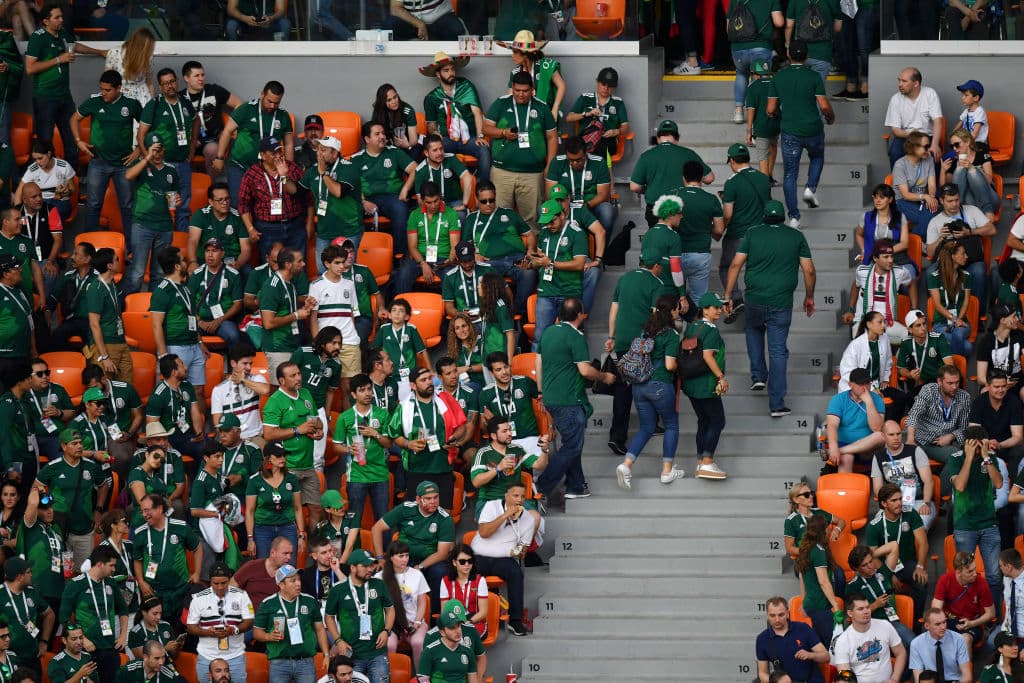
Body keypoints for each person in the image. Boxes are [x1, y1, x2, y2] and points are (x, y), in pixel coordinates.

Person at [725, 199, 814, 417]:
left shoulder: (752, 233)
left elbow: (736, 264)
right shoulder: (796, 236)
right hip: (781, 302)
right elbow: (809, 270)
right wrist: (809, 296)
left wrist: (728, 295)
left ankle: (757, 376)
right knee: (778, 351)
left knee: (753, 331)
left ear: (763, 216)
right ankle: (776, 404)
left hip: (754, 298)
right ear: (783, 217)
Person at [535, 297, 616, 502]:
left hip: (552, 398)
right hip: (569, 400)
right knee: (572, 446)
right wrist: (604, 376)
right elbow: (585, 370)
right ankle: (541, 487)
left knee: (573, 443)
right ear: (580, 315)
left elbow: (539, 362)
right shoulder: (575, 336)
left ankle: (576, 485)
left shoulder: (548, 332)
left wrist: (541, 391)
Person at [613, 295, 685, 489]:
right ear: (671, 311)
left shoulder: (646, 332)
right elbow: (670, 365)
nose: (679, 312)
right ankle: (667, 471)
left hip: (638, 386)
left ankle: (626, 465)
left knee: (646, 427)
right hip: (660, 385)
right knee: (671, 425)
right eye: (677, 309)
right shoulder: (670, 334)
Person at [25, 3, 105, 176]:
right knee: (45, 144)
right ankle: (47, 184)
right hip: (45, 98)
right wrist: (58, 60)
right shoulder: (38, 38)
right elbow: (30, 68)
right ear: (46, 21)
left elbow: (74, 46)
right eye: (57, 17)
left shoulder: (61, 33)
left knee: (72, 142)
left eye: (61, 16)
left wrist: (100, 52)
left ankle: (72, 183)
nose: (62, 19)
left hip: (64, 97)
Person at [766, 40, 835, 229]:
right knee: (817, 157)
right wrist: (830, 117)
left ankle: (794, 217)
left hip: (790, 133)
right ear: (806, 56)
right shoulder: (814, 77)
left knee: (790, 175)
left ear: (788, 55)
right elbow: (824, 106)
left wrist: (775, 114)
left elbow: (770, 108)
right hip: (813, 129)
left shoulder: (778, 77)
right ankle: (810, 188)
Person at [72, 70, 141, 244]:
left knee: (127, 206)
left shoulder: (131, 105)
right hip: (98, 162)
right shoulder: (94, 102)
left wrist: (139, 149)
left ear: (119, 88)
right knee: (93, 205)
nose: (103, 93)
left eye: (107, 90)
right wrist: (79, 141)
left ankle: (131, 248)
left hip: (124, 163)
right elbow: (74, 119)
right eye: (101, 89)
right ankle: (88, 245)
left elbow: (147, 126)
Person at [483, 71, 558, 228]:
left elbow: (552, 137)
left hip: (533, 174)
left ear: (532, 90)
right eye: (517, 90)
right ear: (513, 88)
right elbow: (486, 128)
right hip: (502, 172)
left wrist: (549, 165)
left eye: (525, 91)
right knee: (500, 218)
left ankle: (532, 251)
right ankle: (503, 252)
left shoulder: (542, 108)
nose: (521, 94)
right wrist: (503, 133)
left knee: (532, 221)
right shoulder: (501, 103)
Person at [371, 480, 454, 614]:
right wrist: (380, 557)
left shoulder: (445, 519)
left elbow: (442, 553)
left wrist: (420, 567)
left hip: (430, 560)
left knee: (439, 572)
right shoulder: (405, 509)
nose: (433, 501)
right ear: (418, 499)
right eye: (428, 498)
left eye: (436, 497)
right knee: (379, 570)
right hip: (403, 555)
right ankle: (380, 614)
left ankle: (435, 617)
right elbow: (376, 529)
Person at [262, 361, 324, 527]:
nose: (298, 378)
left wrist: (319, 430)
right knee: (289, 511)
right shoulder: (275, 401)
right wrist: (297, 430)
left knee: (316, 509)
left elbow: (317, 420)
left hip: (308, 464)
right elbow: (268, 434)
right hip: (288, 465)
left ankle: (313, 550)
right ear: (282, 381)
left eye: (299, 373)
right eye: (293, 376)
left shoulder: (306, 393)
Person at [948, 425, 1005, 604]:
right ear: (966, 444)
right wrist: (970, 456)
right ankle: (968, 614)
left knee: (994, 575)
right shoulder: (955, 458)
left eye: (981, 446)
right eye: (974, 446)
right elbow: (960, 486)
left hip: (989, 524)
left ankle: (994, 618)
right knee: (965, 575)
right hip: (965, 526)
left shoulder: (990, 459)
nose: (978, 450)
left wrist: (986, 456)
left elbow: (998, 484)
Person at [137, 68, 197, 236]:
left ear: (176, 81)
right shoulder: (154, 105)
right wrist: (148, 159)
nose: (169, 86)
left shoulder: (185, 102)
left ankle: (183, 238)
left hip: (183, 163)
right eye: (165, 84)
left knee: (183, 204)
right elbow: (141, 135)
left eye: (172, 81)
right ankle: (166, 239)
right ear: (160, 86)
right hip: (163, 165)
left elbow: (196, 120)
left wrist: (192, 144)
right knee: (164, 204)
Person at [471, 482, 535, 637]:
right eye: (515, 496)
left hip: (503, 558)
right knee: (462, 570)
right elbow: (484, 532)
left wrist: (519, 552)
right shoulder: (491, 506)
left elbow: (523, 548)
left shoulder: (528, 518)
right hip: (479, 556)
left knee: (516, 573)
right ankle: (466, 615)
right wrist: (506, 515)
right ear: (506, 496)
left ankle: (515, 620)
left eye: (522, 496)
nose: (519, 500)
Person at [214, 81, 294, 205]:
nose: (272, 106)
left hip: (268, 168)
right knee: (238, 203)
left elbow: (288, 144)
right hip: (240, 165)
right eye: (269, 101)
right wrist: (219, 157)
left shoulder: (283, 116)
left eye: (277, 103)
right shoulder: (246, 109)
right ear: (262, 94)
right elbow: (227, 131)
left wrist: (289, 167)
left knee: (263, 205)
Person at [37, 427, 108, 565]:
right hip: (58, 529)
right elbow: (36, 488)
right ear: (63, 446)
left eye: (80, 442)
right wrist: (48, 504)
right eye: (74, 443)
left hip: (84, 528)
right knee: (60, 571)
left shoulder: (92, 467)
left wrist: (99, 509)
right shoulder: (52, 467)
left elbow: (103, 485)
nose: (80, 446)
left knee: (84, 571)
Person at [681, 292, 732, 480]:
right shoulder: (711, 330)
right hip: (706, 383)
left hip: (691, 383)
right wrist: (721, 377)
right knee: (717, 421)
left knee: (704, 421)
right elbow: (707, 356)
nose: (719, 310)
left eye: (720, 307)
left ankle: (701, 462)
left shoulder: (692, 327)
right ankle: (707, 461)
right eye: (715, 307)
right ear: (705, 309)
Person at [324, 549, 394, 683]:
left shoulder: (379, 584)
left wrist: (386, 631)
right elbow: (329, 617)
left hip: (377, 652)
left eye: (371, 565)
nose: (370, 569)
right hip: (352, 653)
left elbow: (390, 609)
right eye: (365, 566)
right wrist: (338, 641)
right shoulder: (338, 589)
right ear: (353, 567)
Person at [151, 246, 210, 407]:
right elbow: (156, 325)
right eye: (183, 260)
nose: (186, 263)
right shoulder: (161, 291)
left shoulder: (185, 288)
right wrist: (164, 357)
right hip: (175, 348)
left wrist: (200, 342)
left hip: (194, 346)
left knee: (198, 390)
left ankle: (201, 431)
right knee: (177, 391)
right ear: (177, 266)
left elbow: (191, 317)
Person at [122, 135, 180, 294]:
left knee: (160, 272)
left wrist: (176, 201)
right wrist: (146, 158)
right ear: (146, 150)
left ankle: (154, 309)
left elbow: (172, 198)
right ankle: (127, 308)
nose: (157, 154)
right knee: (138, 271)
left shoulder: (172, 171)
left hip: (164, 226)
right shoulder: (140, 165)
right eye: (153, 150)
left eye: (159, 150)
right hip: (142, 224)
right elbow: (128, 176)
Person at [420, 52, 490, 183]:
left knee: (484, 150)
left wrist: (480, 136)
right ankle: (438, 187)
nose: (451, 73)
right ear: (437, 74)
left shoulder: (466, 86)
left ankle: (482, 188)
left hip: (469, 138)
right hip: (447, 139)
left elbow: (477, 112)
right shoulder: (432, 97)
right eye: (446, 70)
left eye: (452, 69)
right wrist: (435, 133)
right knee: (432, 151)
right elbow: (431, 124)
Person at [629, 119, 713, 226]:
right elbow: (710, 178)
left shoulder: (646, 156)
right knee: (684, 241)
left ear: (658, 138)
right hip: (683, 209)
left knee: (660, 241)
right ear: (677, 138)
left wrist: (648, 188)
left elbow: (634, 187)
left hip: (657, 210)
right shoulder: (689, 154)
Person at [351, 122, 416, 259]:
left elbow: (415, 169)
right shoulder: (356, 159)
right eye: (377, 134)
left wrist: (405, 189)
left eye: (383, 133)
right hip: (367, 198)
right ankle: (354, 255)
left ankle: (399, 256)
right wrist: (363, 202)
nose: (382, 136)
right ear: (367, 139)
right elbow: (352, 184)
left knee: (400, 209)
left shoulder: (394, 152)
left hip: (391, 197)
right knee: (351, 211)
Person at [866, 482, 930, 622]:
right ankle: (891, 623)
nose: (899, 503)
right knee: (883, 589)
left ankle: (915, 622)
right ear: (884, 503)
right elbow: (873, 557)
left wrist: (920, 566)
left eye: (900, 499)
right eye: (894, 500)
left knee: (921, 581)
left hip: (906, 563)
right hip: (884, 566)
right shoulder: (874, 526)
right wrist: (890, 574)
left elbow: (923, 543)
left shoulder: (910, 513)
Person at [720, 144, 771, 316]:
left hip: (737, 235)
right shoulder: (764, 179)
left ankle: (736, 300)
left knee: (726, 267)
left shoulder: (732, 182)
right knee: (755, 271)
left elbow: (728, 214)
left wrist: (720, 229)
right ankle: (759, 305)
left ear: (732, 161)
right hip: (761, 235)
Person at [529, 199, 588, 345]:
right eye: (546, 222)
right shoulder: (543, 234)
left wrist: (551, 264)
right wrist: (532, 264)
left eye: (552, 221)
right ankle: (540, 368)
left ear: (562, 215)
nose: (548, 226)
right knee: (540, 337)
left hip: (569, 292)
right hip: (546, 291)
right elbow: (541, 259)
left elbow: (579, 264)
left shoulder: (577, 234)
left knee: (569, 337)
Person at [238, 136, 305, 260]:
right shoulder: (252, 174)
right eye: (273, 153)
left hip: (294, 225)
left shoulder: (292, 168)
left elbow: (307, 197)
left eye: (279, 151)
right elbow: (243, 203)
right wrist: (250, 228)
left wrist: (284, 175)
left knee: (298, 266)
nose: (278, 155)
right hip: (267, 228)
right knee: (269, 266)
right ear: (263, 155)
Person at [392, 181, 461, 300]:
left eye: (436, 201)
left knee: (452, 277)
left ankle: (451, 312)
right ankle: (399, 309)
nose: (433, 205)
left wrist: (449, 260)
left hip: (443, 259)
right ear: (422, 201)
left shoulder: (451, 214)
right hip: (420, 258)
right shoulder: (415, 215)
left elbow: (455, 246)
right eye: (428, 202)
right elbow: (412, 247)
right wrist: (423, 264)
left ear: (440, 197)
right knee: (403, 273)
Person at [186, 561, 253, 683]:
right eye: (215, 583)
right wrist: (208, 633)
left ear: (229, 579)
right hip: (207, 656)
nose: (220, 587)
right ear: (210, 581)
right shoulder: (198, 599)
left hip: (235, 656)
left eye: (224, 583)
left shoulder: (241, 595)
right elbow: (190, 627)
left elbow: (249, 621)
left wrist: (234, 630)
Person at [300, 137, 363, 260]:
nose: (319, 153)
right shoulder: (313, 170)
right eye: (317, 149)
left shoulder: (350, 167)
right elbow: (297, 191)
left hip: (348, 231)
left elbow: (338, 192)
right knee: (322, 272)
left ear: (334, 153)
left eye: (323, 150)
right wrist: (283, 177)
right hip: (324, 232)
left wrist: (323, 173)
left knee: (345, 270)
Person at [260, 248, 314, 384]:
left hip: (292, 346)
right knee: (280, 391)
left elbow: (286, 310)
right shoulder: (272, 286)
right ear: (288, 264)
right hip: (277, 348)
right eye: (299, 261)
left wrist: (304, 308)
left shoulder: (290, 285)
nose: (303, 264)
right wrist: (296, 315)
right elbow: (268, 323)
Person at [180, 62, 242, 180]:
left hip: (213, 140)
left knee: (212, 149)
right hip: (190, 141)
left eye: (202, 75)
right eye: (196, 76)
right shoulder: (180, 98)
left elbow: (239, 104)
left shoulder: (214, 90)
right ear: (186, 78)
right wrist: (190, 139)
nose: (201, 79)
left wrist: (232, 126)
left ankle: (213, 186)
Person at [290, 327, 342, 469]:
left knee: (318, 457)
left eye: (339, 343)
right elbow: (288, 377)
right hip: (295, 407)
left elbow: (331, 391)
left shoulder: (336, 364)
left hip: (317, 410)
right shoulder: (302, 353)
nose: (337, 347)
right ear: (323, 343)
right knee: (294, 451)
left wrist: (326, 415)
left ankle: (317, 488)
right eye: (334, 343)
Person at [545, 136, 614, 242]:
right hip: (565, 207)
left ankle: (602, 252)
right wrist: (564, 208)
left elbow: (603, 195)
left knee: (607, 210)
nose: (575, 164)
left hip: (591, 206)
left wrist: (586, 206)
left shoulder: (599, 162)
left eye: (579, 160)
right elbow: (550, 194)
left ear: (586, 153)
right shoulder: (557, 162)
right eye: (571, 160)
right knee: (545, 210)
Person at [844, 240, 912, 346]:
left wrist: (914, 307)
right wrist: (850, 309)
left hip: (887, 323)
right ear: (875, 258)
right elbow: (855, 286)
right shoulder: (862, 271)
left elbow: (912, 283)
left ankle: (899, 362)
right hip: (864, 322)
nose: (890, 260)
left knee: (910, 338)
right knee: (866, 343)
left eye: (891, 256)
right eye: (886, 257)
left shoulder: (900, 272)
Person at [245, 439, 304, 560]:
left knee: (289, 568)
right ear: (268, 458)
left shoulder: (291, 479)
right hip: (262, 529)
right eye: (278, 455)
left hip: (287, 527)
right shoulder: (255, 480)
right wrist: (250, 538)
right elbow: (249, 511)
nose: (282, 458)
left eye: (284, 455)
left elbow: (297, 508)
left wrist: (301, 534)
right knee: (265, 568)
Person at [846, 545, 914, 650]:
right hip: (871, 627)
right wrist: (875, 605)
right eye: (864, 565)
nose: (870, 566)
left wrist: (871, 554)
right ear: (856, 568)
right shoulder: (853, 586)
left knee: (913, 643)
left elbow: (894, 546)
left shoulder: (883, 572)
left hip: (892, 623)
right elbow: (853, 616)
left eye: (871, 561)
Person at [871, 420, 936, 529]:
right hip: (893, 502)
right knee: (878, 528)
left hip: (919, 500)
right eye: (891, 435)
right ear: (883, 436)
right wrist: (890, 504)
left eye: (898, 434)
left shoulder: (915, 451)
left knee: (917, 529)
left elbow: (928, 481)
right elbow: (878, 489)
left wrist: (926, 503)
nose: (896, 437)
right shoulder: (878, 457)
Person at [831, 593, 907, 683]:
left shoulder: (885, 626)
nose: (866, 611)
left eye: (867, 607)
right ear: (850, 613)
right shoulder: (842, 640)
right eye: (860, 609)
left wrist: (895, 679)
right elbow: (844, 675)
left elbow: (901, 653)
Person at [375, 540, 429, 665]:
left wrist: (417, 622)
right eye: (400, 556)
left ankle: (421, 677)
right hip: (391, 624)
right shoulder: (379, 577)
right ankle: (389, 677)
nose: (405, 559)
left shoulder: (417, 575)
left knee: (418, 642)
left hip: (413, 621)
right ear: (391, 557)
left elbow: (422, 602)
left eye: (406, 555)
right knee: (389, 644)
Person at [906, 363, 971, 464]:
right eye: (950, 383)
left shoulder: (964, 397)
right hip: (920, 440)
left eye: (957, 382)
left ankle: (944, 480)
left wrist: (951, 436)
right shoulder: (929, 390)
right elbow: (914, 414)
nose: (954, 387)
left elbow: (964, 427)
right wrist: (910, 440)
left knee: (955, 455)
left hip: (942, 445)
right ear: (940, 381)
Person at [932, 550, 994, 653]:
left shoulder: (981, 583)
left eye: (974, 569)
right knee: (935, 635)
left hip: (972, 622)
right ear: (958, 572)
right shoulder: (945, 580)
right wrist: (941, 625)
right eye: (970, 572)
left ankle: (966, 668)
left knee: (965, 640)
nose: (975, 574)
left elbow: (991, 613)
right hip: (949, 620)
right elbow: (936, 609)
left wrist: (972, 623)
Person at [755, 596, 828, 683]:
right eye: (772, 616)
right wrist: (776, 682)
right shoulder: (762, 639)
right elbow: (762, 674)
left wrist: (810, 655)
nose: (777, 619)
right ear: (767, 615)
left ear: (787, 613)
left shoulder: (803, 628)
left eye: (781, 615)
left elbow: (826, 657)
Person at [565, 66, 631, 163]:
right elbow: (569, 118)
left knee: (600, 148)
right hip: (585, 138)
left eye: (610, 86)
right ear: (597, 82)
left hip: (607, 140)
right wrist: (586, 114)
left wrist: (615, 132)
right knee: (571, 147)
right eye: (603, 84)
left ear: (614, 87)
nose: (606, 88)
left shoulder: (618, 102)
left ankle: (596, 175)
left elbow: (626, 128)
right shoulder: (585, 98)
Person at [84, 248, 131, 382]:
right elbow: (94, 324)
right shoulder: (95, 288)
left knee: (127, 389)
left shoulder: (112, 284)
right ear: (109, 266)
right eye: (117, 259)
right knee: (106, 389)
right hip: (106, 345)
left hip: (120, 342)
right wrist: (104, 357)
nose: (119, 261)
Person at [146, 353, 204, 460]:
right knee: (201, 449)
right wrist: (163, 442)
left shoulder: (187, 386)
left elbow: (195, 411)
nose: (186, 367)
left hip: (187, 435)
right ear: (174, 372)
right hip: (168, 437)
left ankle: (197, 476)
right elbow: (151, 424)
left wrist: (199, 433)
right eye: (181, 365)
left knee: (209, 448)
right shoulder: (158, 395)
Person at [0, 556, 53, 674]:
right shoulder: (1, 594)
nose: (31, 575)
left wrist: (44, 642)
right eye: (28, 572)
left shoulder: (32, 592)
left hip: (32, 657)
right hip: (8, 659)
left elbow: (49, 614)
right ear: (19, 577)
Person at [187, 238, 244, 347]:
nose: (210, 254)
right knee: (185, 333)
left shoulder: (233, 274)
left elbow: (238, 305)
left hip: (222, 320)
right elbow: (188, 302)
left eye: (214, 251)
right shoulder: (197, 274)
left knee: (233, 336)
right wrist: (199, 321)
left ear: (222, 253)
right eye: (207, 251)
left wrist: (218, 320)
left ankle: (233, 363)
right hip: (200, 320)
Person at [371, 299, 428, 404]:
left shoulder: (411, 329)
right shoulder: (384, 329)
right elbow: (373, 351)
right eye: (394, 310)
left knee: (407, 402)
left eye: (401, 311)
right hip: (389, 375)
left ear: (406, 317)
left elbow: (422, 351)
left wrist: (429, 370)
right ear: (389, 314)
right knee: (392, 401)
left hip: (408, 374)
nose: (397, 313)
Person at [210, 343, 269, 445]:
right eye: (245, 363)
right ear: (233, 363)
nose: (249, 367)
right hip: (232, 440)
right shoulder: (219, 389)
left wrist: (243, 380)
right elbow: (218, 423)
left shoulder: (256, 379)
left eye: (250, 363)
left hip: (255, 437)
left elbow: (266, 390)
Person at [885, 68, 944, 167]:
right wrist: (910, 134)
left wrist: (934, 145)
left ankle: (933, 183)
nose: (900, 84)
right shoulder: (895, 99)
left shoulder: (930, 93)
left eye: (904, 81)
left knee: (934, 155)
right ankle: (898, 182)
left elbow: (938, 121)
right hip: (906, 136)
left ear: (916, 83)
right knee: (895, 153)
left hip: (927, 136)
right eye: (899, 80)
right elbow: (895, 130)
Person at [970, 368, 1024, 474]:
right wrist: (986, 444)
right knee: (970, 447)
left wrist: (999, 445)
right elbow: (973, 432)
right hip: (983, 445)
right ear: (987, 386)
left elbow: (1018, 437)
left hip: (1005, 446)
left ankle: (1013, 485)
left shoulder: (1014, 402)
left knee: (1020, 449)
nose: (1001, 390)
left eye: (1004, 386)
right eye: (996, 387)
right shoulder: (978, 402)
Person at [942, 130, 1000, 222]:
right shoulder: (953, 161)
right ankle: (959, 210)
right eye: (951, 146)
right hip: (969, 203)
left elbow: (989, 180)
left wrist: (972, 168)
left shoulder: (981, 154)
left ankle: (987, 211)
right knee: (960, 169)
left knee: (971, 172)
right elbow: (947, 189)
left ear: (967, 142)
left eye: (957, 144)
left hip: (989, 200)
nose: (954, 149)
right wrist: (943, 171)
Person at [17, 183, 63, 296]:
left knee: (49, 274)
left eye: (40, 195)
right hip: (23, 260)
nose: (39, 199)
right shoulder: (16, 213)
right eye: (34, 197)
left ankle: (43, 306)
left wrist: (50, 261)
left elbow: (58, 239)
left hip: (45, 258)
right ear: (24, 200)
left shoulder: (50, 210)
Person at [783, 481, 845, 558]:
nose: (811, 496)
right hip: (806, 561)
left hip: (824, 558)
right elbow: (789, 549)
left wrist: (837, 529)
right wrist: (811, 553)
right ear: (796, 500)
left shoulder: (818, 512)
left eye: (811, 493)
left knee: (839, 570)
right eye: (806, 495)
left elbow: (841, 521)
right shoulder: (791, 520)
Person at [411, 134, 470, 213]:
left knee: (460, 216)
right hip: (433, 207)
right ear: (426, 153)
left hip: (454, 203)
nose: (439, 153)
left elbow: (467, 177)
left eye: (441, 149)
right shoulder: (420, 170)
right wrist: (437, 210)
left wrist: (465, 203)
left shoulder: (451, 159)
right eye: (435, 150)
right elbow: (420, 200)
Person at [231, 535, 293, 611]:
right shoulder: (252, 566)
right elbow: (231, 588)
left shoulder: (290, 572)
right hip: (250, 617)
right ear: (273, 552)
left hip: (276, 618)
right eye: (285, 553)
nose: (289, 557)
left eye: (291, 554)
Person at [908, 608, 971, 682]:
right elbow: (918, 679)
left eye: (944, 622)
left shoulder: (958, 639)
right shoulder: (916, 644)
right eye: (937, 624)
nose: (943, 627)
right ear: (927, 626)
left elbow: (967, 677)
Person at [439, 545, 488, 638]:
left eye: (470, 561)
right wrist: (453, 625)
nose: (467, 564)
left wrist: (467, 622)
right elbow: (444, 611)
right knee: (432, 636)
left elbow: (483, 612)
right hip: (453, 622)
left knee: (463, 637)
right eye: (462, 562)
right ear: (454, 562)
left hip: (475, 622)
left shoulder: (480, 580)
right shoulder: (445, 580)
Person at [370, 84, 419, 156]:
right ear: (382, 102)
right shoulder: (378, 110)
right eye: (389, 100)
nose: (394, 101)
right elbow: (374, 132)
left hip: (407, 143)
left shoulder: (408, 110)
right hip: (387, 144)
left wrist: (406, 145)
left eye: (395, 97)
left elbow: (413, 141)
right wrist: (385, 142)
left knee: (411, 154)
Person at [126, 596, 177, 663]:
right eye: (155, 614)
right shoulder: (135, 632)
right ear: (144, 612)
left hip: (168, 667)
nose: (158, 617)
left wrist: (176, 647)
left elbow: (174, 655)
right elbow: (143, 659)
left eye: (160, 613)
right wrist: (164, 649)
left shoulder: (165, 626)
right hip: (148, 671)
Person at [387, 0, 464, 39]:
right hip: (411, 22)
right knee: (391, 25)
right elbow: (395, 8)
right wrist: (419, 24)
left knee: (455, 29)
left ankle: (451, 60)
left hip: (440, 19)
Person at [114, 641, 183, 683]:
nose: (161, 662)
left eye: (163, 657)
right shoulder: (127, 671)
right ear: (145, 657)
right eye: (157, 658)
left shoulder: (169, 676)